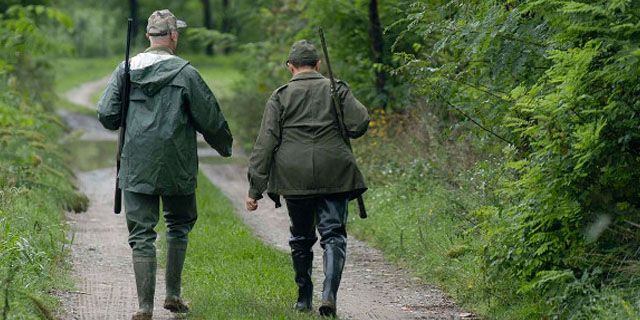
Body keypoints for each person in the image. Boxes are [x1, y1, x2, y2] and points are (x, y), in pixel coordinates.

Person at [97, 9, 233, 320]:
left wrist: (124, 117)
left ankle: (144, 307)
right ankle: (173, 294)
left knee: (142, 234)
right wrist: (225, 147)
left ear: (149, 36)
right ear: (172, 36)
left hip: (136, 164)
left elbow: (106, 114)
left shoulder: (126, 69)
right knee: (178, 225)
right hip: (177, 164)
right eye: (177, 33)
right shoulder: (186, 73)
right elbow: (210, 119)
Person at [245, 39, 369, 317]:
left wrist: (255, 189)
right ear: (318, 64)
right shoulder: (336, 88)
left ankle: (303, 299)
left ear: (290, 67)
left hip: (293, 175)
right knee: (334, 234)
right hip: (335, 171)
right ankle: (329, 296)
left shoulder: (280, 96)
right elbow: (359, 124)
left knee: (301, 237)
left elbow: (265, 143)